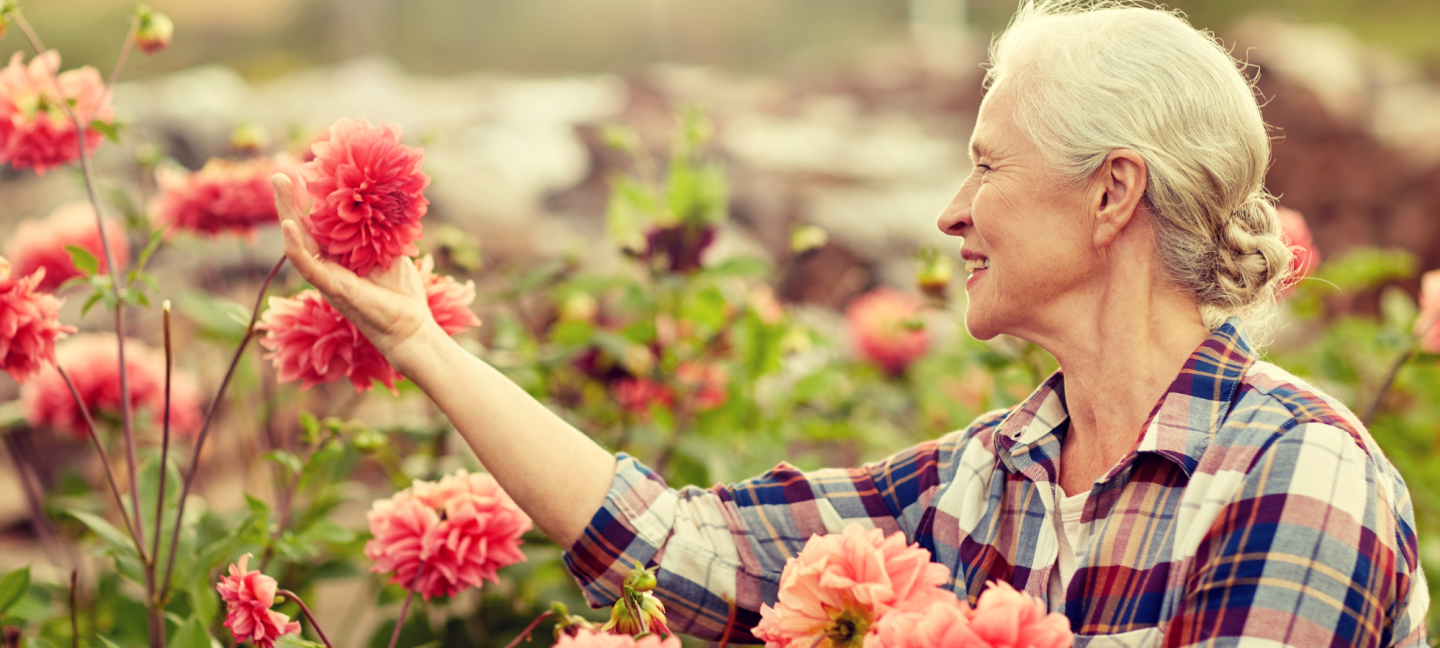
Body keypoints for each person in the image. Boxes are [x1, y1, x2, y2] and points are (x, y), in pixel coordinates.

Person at [269, 1, 1428, 645]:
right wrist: (419, 339)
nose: (950, 213)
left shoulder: (1298, 476)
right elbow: (681, 549)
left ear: (1112, 193)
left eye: (985, 166)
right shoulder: (983, 478)